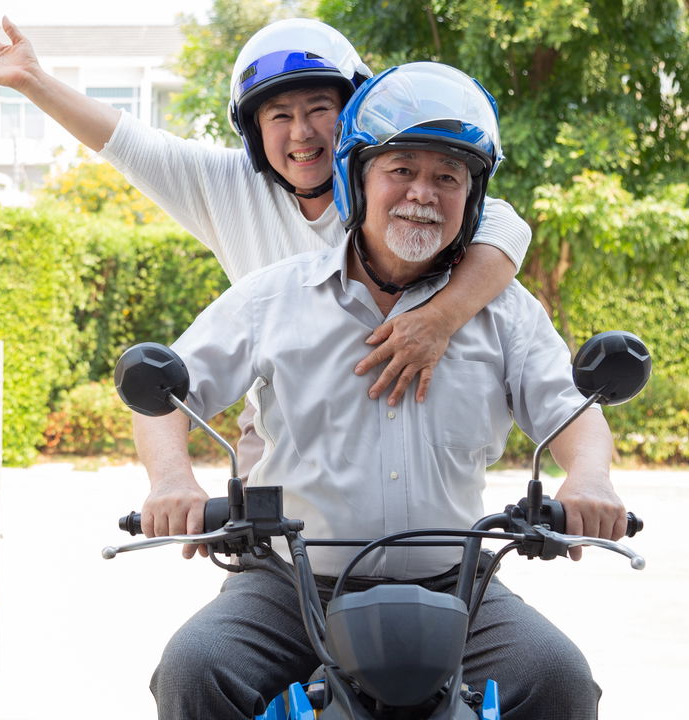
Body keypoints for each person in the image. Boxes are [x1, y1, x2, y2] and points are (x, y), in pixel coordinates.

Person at [132, 62, 626, 720]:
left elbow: (571, 410)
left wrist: (590, 479)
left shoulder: (505, 310)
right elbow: (167, 392)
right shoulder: (273, 297)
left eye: (447, 177)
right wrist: (172, 481)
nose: (424, 193)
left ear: (472, 198)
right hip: (288, 586)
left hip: (457, 591)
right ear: (355, 178)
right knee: (196, 668)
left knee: (558, 679)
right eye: (402, 170)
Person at [0, 18, 532, 475]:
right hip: (287, 426)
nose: (301, 132)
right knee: (255, 594)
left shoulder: (397, 186)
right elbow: (124, 140)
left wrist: (438, 320)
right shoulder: (227, 185)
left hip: (414, 410)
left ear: (354, 116)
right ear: (254, 133)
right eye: (279, 115)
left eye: (320, 110)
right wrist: (32, 81)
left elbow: (506, 229)